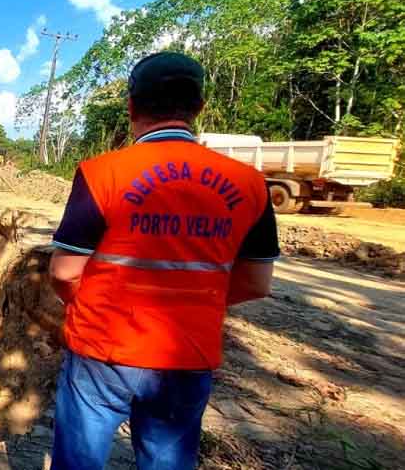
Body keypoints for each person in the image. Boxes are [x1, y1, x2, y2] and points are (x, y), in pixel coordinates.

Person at [48, 51, 279, 470]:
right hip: (187, 352)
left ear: (132, 106)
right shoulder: (251, 184)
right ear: (199, 109)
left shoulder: (102, 172)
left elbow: (65, 271)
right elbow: (258, 283)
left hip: (102, 347)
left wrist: (86, 305)